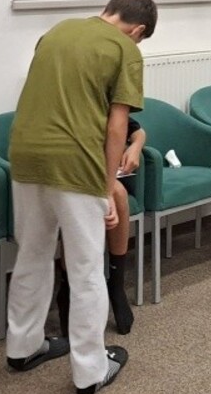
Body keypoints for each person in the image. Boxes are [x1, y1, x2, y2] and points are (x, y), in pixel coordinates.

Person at [6, 0, 156, 394]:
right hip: (74, 160)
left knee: (32, 254)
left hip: (25, 152)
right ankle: (90, 370)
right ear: (138, 30)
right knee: (86, 266)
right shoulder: (125, 50)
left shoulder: (56, 32)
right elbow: (116, 127)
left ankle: (22, 347)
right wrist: (107, 188)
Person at [55, 119, 145, 336]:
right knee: (82, 200)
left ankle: (116, 284)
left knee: (119, 193)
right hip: (63, 166)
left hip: (99, 169)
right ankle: (68, 288)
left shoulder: (106, 105)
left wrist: (135, 146)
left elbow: (137, 131)